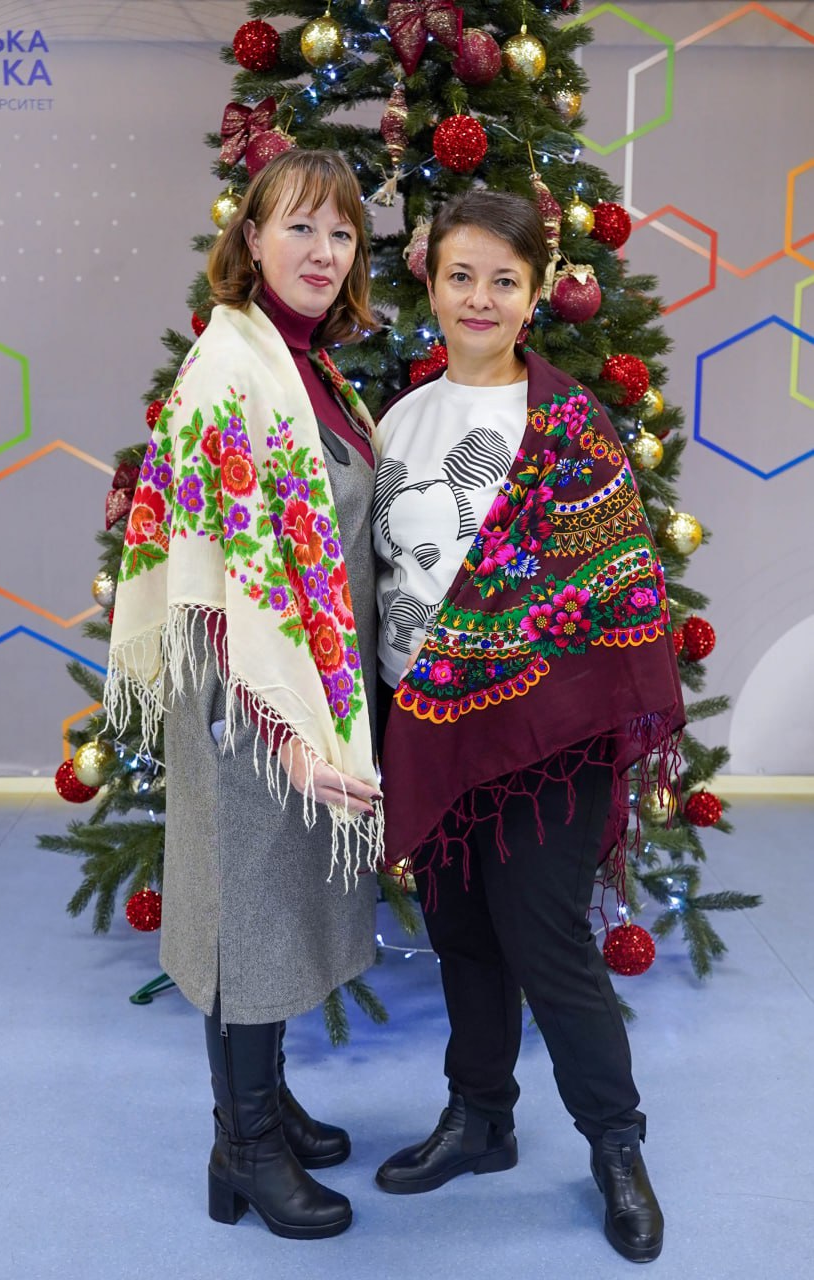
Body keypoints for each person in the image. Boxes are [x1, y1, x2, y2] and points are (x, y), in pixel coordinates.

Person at [372, 189, 685, 1264]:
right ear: (430, 282)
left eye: (503, 280)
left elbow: (616, 585)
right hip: (430, 727)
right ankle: (481, 1118)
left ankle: (615, 1146)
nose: (480, 298)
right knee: (460, 931)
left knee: (546, 942)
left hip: (547, 736)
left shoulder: (568, 424)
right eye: (461, 275)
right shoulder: (398, 421)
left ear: (536, 292)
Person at [104, 149, 384, 1240]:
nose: (322, 251)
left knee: (278, 899)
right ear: (251, 239)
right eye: (299, 228)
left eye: (341, 233)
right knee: (244, 906)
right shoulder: (230, 365)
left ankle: (261, 1102)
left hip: (303, 679)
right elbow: (217, 556)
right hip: (247, 688)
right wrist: (275, 721)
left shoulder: (308, 365)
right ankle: (244, 1146)